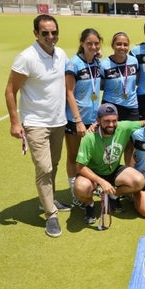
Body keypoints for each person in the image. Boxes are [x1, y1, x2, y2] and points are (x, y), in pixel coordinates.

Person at [4, 14, 71, 238]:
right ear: (36, 33)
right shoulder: (27, 58)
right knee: (44, 168)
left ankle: (46, 201)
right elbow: (10, 90)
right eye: (45, 33)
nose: (50, 37)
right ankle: (51, 214)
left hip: (58, 120)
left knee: (54, 163)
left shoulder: (60, 54)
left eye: (54, 32)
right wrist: (15, 122)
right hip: (35, 123)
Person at [74, 104, 145, 224]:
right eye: (106, 121)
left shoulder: (123, 127)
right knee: (80, 187)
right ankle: (89, 205)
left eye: (114, 120)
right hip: (94, 173)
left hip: (113, 170)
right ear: (98, 120)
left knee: (139, 181)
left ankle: (113, 196)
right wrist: (101, 182)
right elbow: (80, 167)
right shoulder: (90, 136)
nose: (111, 125)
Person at [64, 28, 103, 208]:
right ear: (82, 43)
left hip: (93, 119)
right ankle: (74, 191)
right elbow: (69, 93)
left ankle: (90, 185)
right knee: (74, 156)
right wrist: (78, 120)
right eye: (89, 43)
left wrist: (97, 55)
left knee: (90, 156)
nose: (93, 46)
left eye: (96, 43)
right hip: (76, 119)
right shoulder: (74, 64)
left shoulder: (96, 62)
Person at [100, 32, 140, 121]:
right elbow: (100, 86)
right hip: (111, 106)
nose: (122, 47)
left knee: (132, 134)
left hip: (131, 106)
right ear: (112, 45)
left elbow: (137, 79)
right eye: (118, 44)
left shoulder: (134, 61)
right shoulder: (104, 65)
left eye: (125, 45)